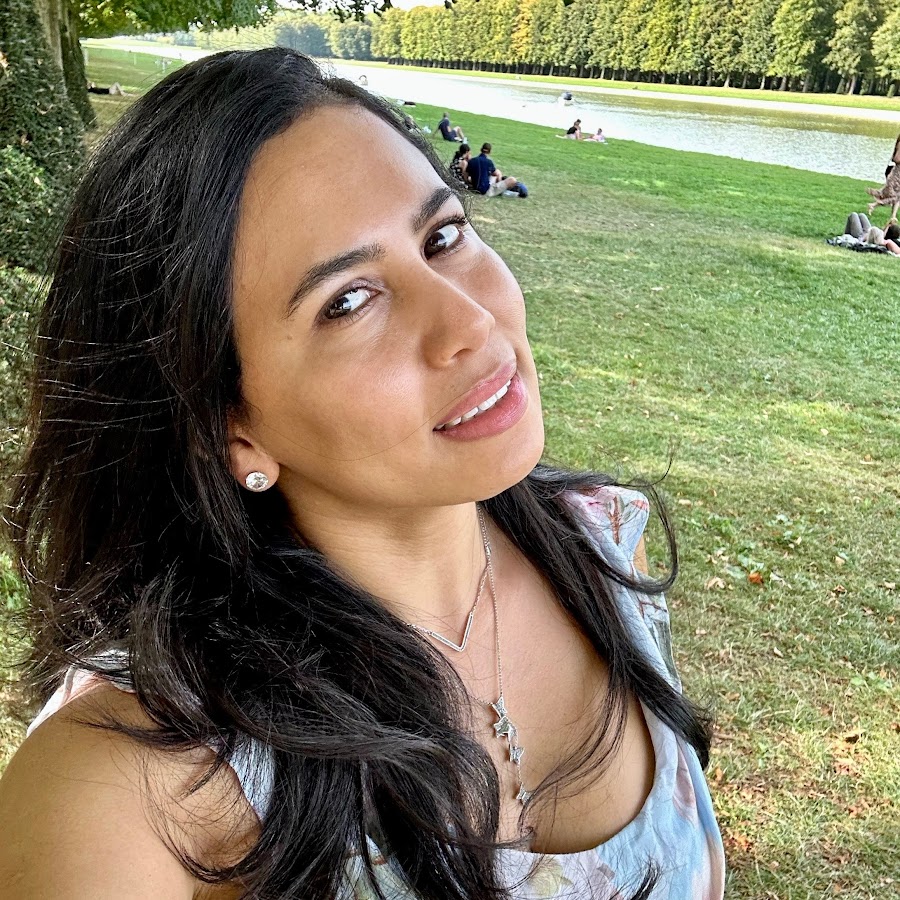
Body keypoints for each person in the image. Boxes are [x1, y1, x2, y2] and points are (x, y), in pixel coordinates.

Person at [0, 49, 724, 900]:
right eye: (347, 300)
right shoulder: (127, 783)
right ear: (229, 428)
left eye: (442, 237)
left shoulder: (604, 542)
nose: (469, 321)